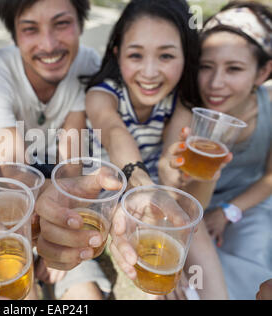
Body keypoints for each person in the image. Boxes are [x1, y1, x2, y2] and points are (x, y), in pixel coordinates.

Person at [37, 0, 229, 299]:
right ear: (117, 53)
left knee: (191, 228)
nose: (149, 72)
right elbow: (114, 132)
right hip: (98, 206)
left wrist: (174, 172)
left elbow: (169, 164)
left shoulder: (181, 104)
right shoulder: (103, 95)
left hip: (145, 206)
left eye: (166, 55)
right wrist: (140, 182)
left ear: (185, 56)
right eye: (136, 55)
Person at [0, 0, 109, 300]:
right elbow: (14, 170)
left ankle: (73, 273)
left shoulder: (86, 62)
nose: (49, 45)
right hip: (11, 187)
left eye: (61, 24)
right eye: (30, 29)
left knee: (84, 290)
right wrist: (44, 237)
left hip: (59, 179)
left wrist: (61, 239)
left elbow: (71, 162)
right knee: (16, 287)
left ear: (81, 26)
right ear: (15, 36)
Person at [169, 1, 272, 300]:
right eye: (206, 67)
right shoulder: (188, 113)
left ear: (262, 71)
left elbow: (270, 176)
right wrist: (177, 171)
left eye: (234, 69)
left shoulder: (269, 107)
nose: (215, 84)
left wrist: (230, 211)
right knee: (197, 280)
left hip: (248, 204)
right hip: (194, 210)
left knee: (255, 256)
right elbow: (183, 199)